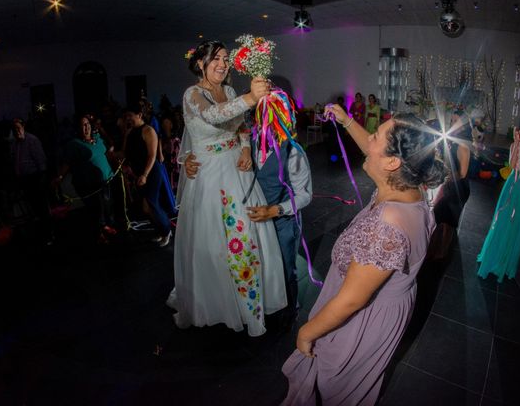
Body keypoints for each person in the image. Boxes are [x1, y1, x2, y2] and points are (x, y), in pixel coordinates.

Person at [282, 106, 446, 405]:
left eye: (375, 136)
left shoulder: (387, 225)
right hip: (386, 307)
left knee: (333, 390)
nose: (367, 141)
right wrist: (346, 121)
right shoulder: (409, 186)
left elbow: (351, 301)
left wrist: (306, 333)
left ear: (394, 161)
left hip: (362, 318)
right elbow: (375, 154)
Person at [167, 40, 287, 337]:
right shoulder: (192, 94)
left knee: (246, 235)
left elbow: (240, 126)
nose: (222, 63)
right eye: (215, 59)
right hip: (210, 177)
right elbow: (214, 116)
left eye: (225, 58)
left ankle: (251, 304)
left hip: (237, 169)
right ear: (200, 64)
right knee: (215, 243)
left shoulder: (231, 91)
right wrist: (250, 97)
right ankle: (218, 303)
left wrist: (245, 149)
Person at [185, 103, 313, 330]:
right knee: (262, 263)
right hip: (255, 221)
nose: (263, 126)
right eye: (259, 119)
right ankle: (269, 305)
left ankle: (290, 309)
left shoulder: (294, 152)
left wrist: (275, 210)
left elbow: (305, 195)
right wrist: (187, 162)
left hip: (282, 221)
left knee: (285, 268)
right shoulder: (248, 144)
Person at [477, 118, 520, 282]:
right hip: (511, 186)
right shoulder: (516, 144)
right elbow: (513, 164)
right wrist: (516, 145)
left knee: (516, 226)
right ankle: (491, 258)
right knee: (501, 220)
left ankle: (505, 264)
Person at [53, 115, 116, 243]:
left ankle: (105, 226)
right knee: (95, 208)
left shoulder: (98, 139)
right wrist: (60, 177)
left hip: (107, 178)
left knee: (107, 204)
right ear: (78, 128)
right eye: (82, 125)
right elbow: (67, 162)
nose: (86, 127)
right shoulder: (74, 144)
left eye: (87, 124)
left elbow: (109, 150)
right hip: (89, 183)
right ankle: (99, 233)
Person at [123, 102, 173, 246]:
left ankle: (166, 230)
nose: (127, 119)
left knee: (149, 205)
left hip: (151, 172)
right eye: (126, 116)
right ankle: (159, 230)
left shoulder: (148, 130)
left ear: (139, 115)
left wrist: (145, 174)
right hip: (139, 174)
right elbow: (125, 153)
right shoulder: (129, 132)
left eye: (129, 116)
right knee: (147, 208)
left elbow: (152, 156)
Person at [429, 110, 471, 259]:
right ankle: (439, 249)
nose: (452, 124)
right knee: (442, 217)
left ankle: (442, 253)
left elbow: (462, 174)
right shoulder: (452, 141)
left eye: (456, 121)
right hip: (451, 185)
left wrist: (446, 177)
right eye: (451, 120)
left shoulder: (463, 146)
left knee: (448, 221)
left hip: (459, 188)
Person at [11, 118, 52, 240]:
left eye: (18, 128)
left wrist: (42, 178)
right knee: (34, 207)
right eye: (14, 129)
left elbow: (41, 160)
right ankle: (42, 232)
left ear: (23, 127)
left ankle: (49, 233)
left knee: (42, 207)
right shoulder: (15, 143)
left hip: (35, 178)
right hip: (25, 179)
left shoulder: (32, 140)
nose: (16, 131)